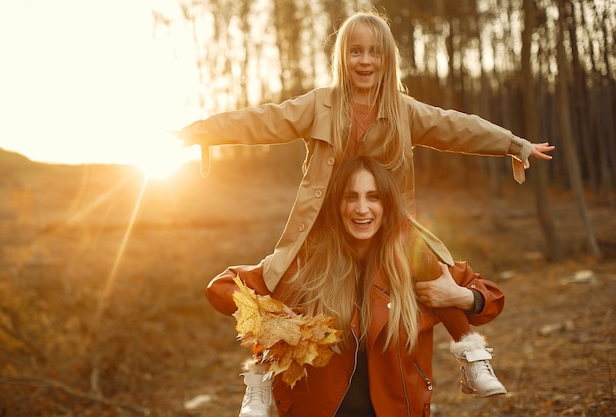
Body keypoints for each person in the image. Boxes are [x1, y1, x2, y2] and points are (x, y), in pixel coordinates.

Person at [177, 9, 555, 298]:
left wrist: (513, 143)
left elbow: (457, 127)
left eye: (374, 52)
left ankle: (469, 351)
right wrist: (203, 130)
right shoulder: (320, 105)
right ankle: (260, 372)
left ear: (387, 59)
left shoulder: (404, 110)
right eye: (355, 51)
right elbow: (261, 121)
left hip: (386, 226)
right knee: (285, 285)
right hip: (327, 226)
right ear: (343, 57)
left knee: (431, 270)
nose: (365, 60)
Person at [206, 156, 507, 417]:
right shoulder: (306, 261)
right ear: (336, 204)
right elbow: (220, 286)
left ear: (387, 204)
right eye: (351, 197)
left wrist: (461, 296)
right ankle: (258, 381)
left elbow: (491, 297)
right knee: (269, 303)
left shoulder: (415, 260)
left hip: (398, 408)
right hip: (317, 410)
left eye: (373, 197)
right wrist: (269, 314)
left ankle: (474, 361)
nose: (362, 208)